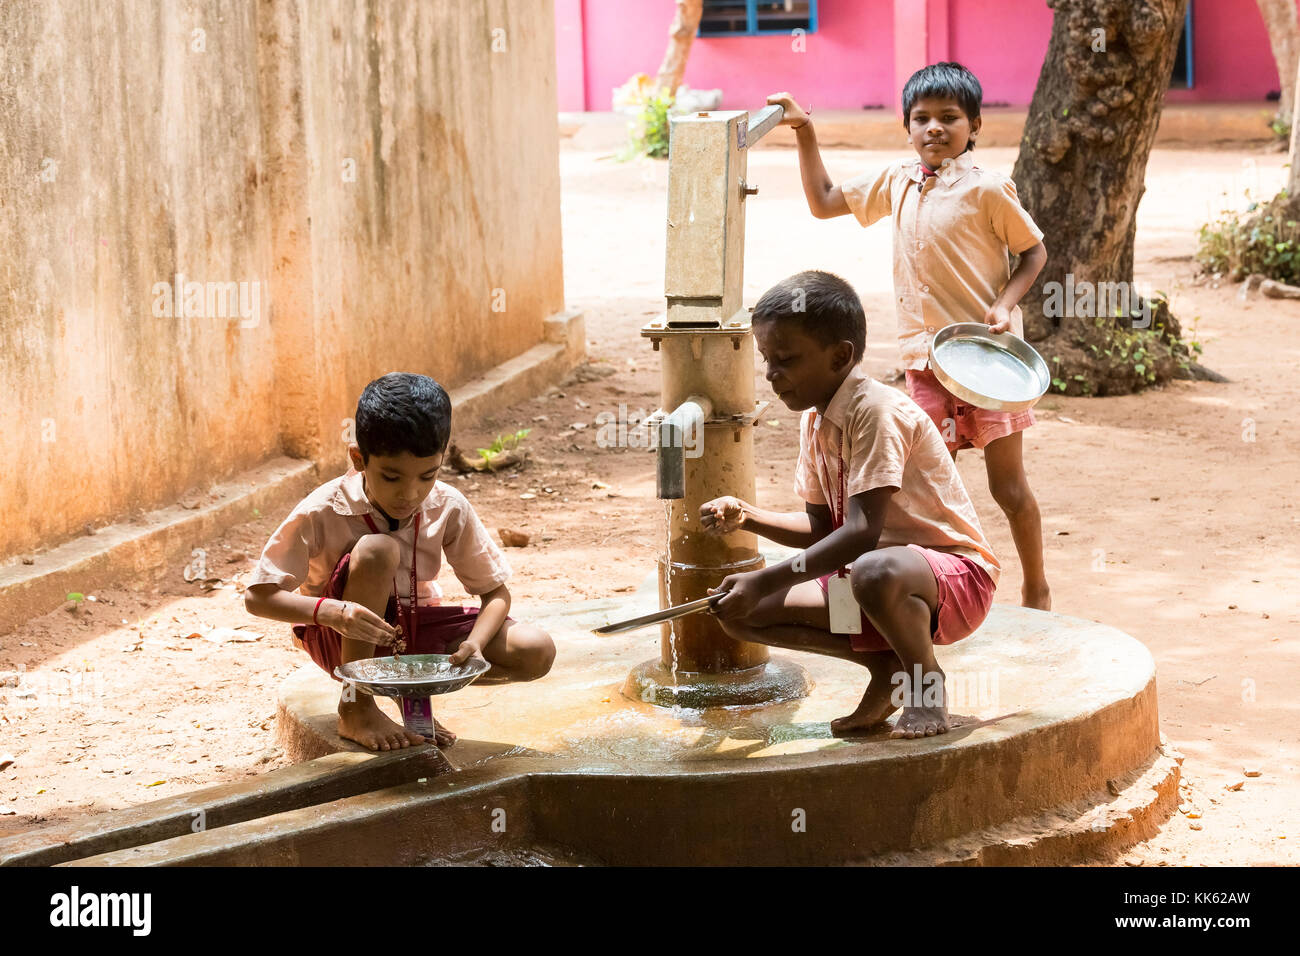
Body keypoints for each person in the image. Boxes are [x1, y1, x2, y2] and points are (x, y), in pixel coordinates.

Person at [766, 61, 1051, 610]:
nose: (934, 129)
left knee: (1008, 489)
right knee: (904, 489)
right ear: (906, 125)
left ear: (975, 126)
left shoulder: (988, 190)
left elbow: (1034, 251)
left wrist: (1004, 303)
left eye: (950, 117)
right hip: (927, 364)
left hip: (988, 363)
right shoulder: (896, 180)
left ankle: (1036, 585)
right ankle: (916, 591)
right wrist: (806, 130)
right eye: (921, 118)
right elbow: (824, 201)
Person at [702, 271, 999, 739]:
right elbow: (824, 530)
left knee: (873, 570)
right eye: (766, 359)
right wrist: (750, 517)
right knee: (739, 611)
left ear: (840, 355)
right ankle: (887, 670)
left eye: (786, 359)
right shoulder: (817, 419)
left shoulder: (876, 412)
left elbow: (860, 532)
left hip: (953, 581)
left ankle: (924, 683)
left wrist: (764, 578)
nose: (771, 374)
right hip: (870, 584)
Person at [244, 372, 555, 752]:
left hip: (410, 632)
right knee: (379, 550)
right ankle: (355, 706)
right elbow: (258, 598)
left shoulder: (448, 504)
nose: (411, 494)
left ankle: (408, 696)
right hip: (339, 637)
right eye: (391, 477)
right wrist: (336, 613)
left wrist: (474, 644)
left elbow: (496, 594)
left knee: (535, 650)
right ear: (359, 459)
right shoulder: (323, 509)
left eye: (428, 475)